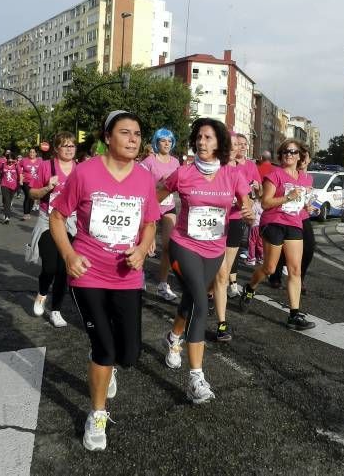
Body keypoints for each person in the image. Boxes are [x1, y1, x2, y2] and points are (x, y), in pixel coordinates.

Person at [49, 110, 159, 452]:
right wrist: (69, 255)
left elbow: (151, 222)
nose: (132, 139)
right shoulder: (85, 173)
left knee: (128, 355)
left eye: (137, 134)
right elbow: (57, 216)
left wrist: (142, 248)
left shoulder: (144, 178)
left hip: (127, 277)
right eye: (125, 132)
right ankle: (97, 415)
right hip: (89, 273)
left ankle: (111, 368)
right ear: (107, 137)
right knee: (104, 349)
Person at [159, 118, 252, 401]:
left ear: (220, 143)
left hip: (215, 250)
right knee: (201, 302)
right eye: (199, 137)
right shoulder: (182, 173)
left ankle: (174, 337)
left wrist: (249, 213)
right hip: (184, 245)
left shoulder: (233, 175)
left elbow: (246, 204)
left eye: (208, 138)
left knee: (190, 299)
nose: (202, 142)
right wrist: (146, 232)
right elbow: (154, 196)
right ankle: (196, 377)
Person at [240, 138, 315, 331]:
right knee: (270, 268)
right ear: (280, 156)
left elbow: (300, 204)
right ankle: (250, 288)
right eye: (285, 152)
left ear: (300, 156)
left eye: (293, 152)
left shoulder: (305, 179)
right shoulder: (275, 175)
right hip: (273, 222)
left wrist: (307, 206)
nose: (289, 155)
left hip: (294, 223)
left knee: (295, 270)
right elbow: (265, 203)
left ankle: (294, 315)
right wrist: (287, 197)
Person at [211, 132, 261, 342]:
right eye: (230, 145)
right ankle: (205, 297)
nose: (235, 148)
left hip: (233, 222)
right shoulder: (211, 169)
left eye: (237, 145)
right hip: (211, 225)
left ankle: (222, 323)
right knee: (214, 272)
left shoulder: (241, 171)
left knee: (223, 274)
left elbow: (249, 200)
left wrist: (249, 208)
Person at [29, 132, 77, 327]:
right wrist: (47, 187)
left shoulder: (80, 169)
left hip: (71, 222)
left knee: (64, 269)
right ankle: (42, 293)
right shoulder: (45, 166)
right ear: (56, 148)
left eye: (72, 146)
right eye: (65, 146)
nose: (69, 149)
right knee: (49, 267)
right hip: (47, 219)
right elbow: (32, 193)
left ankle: (56, 310)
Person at [140, 128, 181, 302]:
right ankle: (138, 277)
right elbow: (139, 183)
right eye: (163, 141)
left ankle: (162, 285)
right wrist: (159, 185)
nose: (167, 144)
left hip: (169, 206)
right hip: (151, 205)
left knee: (168, 247)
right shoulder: (149, 161)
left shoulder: (176, 162)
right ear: (157, 142)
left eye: (169, 141)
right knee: (145, 244)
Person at [269, 150, 316, 293]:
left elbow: (305, 200)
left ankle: (299, 279)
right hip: (284, 216)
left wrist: (309, 206)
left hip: (302, 216)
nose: (301, 160)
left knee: (309, 248)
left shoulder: (309, 178)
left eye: (304, 157)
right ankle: (275, 275)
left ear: (308, 160)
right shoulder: (287, 174)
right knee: (281, 249)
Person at [0, 150, 19, 224]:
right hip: (4, 185)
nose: (10, 162)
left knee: (9, 201)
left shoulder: (16, 165)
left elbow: (21, 174)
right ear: (6, 159)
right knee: (7, 200)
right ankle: (7, 217)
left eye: (11, 161)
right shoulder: (3, 164)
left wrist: (21, 182)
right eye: (9, 161)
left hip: (14, 186)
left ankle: (5, 213)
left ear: (14, 160)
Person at [19, 148, 42, 220]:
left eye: (33, 152)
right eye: (30, 152)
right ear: (29, 153)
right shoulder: (24, 160)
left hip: (35, 182)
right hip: (26, 181)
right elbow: (18, 166)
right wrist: (20, 176)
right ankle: (25, 214)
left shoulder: (40, 161)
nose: (32, 153)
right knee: (28, 195)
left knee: (32, 197)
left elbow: (43, 169)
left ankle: (28, 212)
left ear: (36, 154)